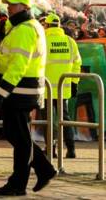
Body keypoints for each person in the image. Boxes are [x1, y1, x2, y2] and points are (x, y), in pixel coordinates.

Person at [0, 0, 56, 196]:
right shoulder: (23, 27)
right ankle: (42, 171)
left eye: (13, 5)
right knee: (19, 137)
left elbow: (19, 64)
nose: (9, 7)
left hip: (19, 92)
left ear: (25, 8)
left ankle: (20, 183)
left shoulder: (24, 29)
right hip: (22, 91)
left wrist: (2, 92)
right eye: (8, 4)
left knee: (19, 138)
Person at [40, 13, 82, 159]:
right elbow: (77, 63)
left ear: (47, 25)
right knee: (65, 119)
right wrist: (75, 83)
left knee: (47, 120)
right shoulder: (70, 41)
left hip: (45, 89)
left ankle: (51, 150)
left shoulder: (43, 41)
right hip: (63, 88)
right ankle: (71, 149)